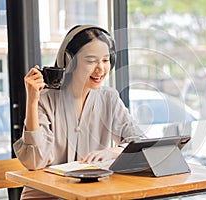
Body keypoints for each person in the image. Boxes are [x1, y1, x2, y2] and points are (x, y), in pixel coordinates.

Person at [13, 25, 144, 199]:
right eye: (91, 61)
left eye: (105, 61)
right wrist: (32, 100)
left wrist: (111, 152)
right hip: (47, 197)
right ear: (70, 61)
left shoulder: (109, 98)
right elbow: (35, 161)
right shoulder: (45, 99)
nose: (100, 69)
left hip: (89, 195)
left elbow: (139, 142)